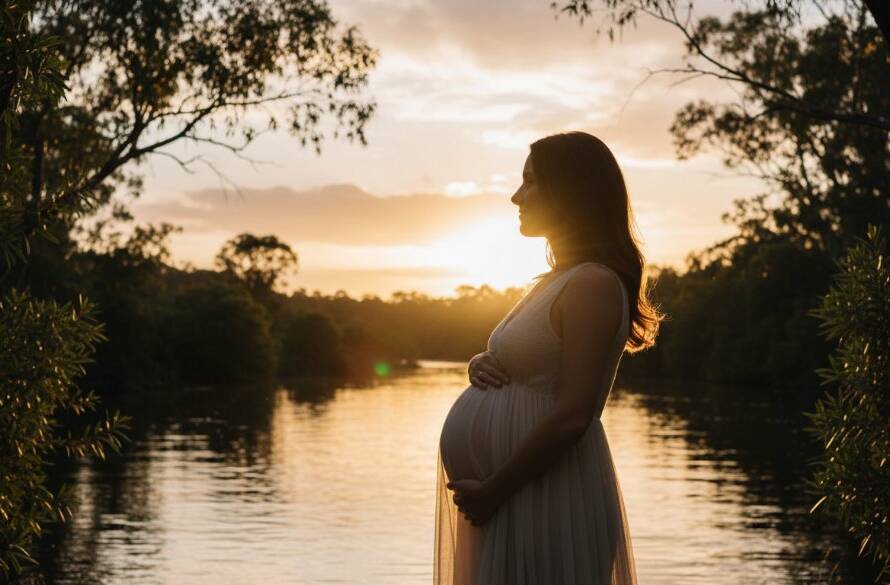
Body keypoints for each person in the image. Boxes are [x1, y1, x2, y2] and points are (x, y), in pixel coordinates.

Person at [434, 131, 663, 584]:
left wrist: (494, 490)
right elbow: (539, 362)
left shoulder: (593, 283)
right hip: (514, 499)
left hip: (547, 499)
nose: (516, 196)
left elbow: (575, 414)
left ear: (570, 191)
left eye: (531, 181)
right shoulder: (557, 280)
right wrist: (483, 363)